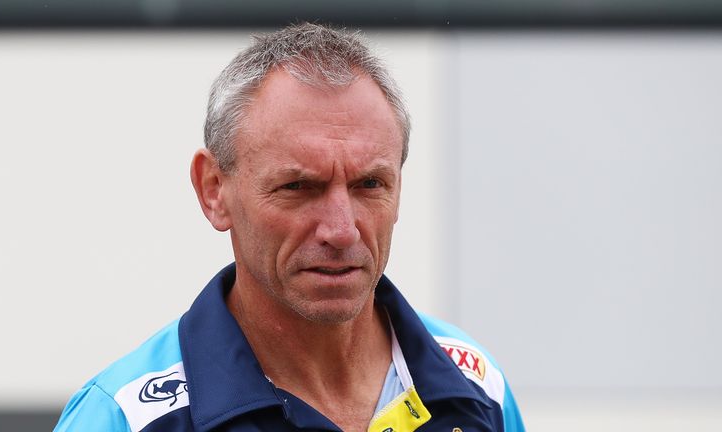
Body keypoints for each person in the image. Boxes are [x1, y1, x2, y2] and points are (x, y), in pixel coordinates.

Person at [54, 23, 525, 432]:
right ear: (214, 189)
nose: (341, 231)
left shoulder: (477, 387)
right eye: (299, 186)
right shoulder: (125, 419)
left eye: (369, 184)